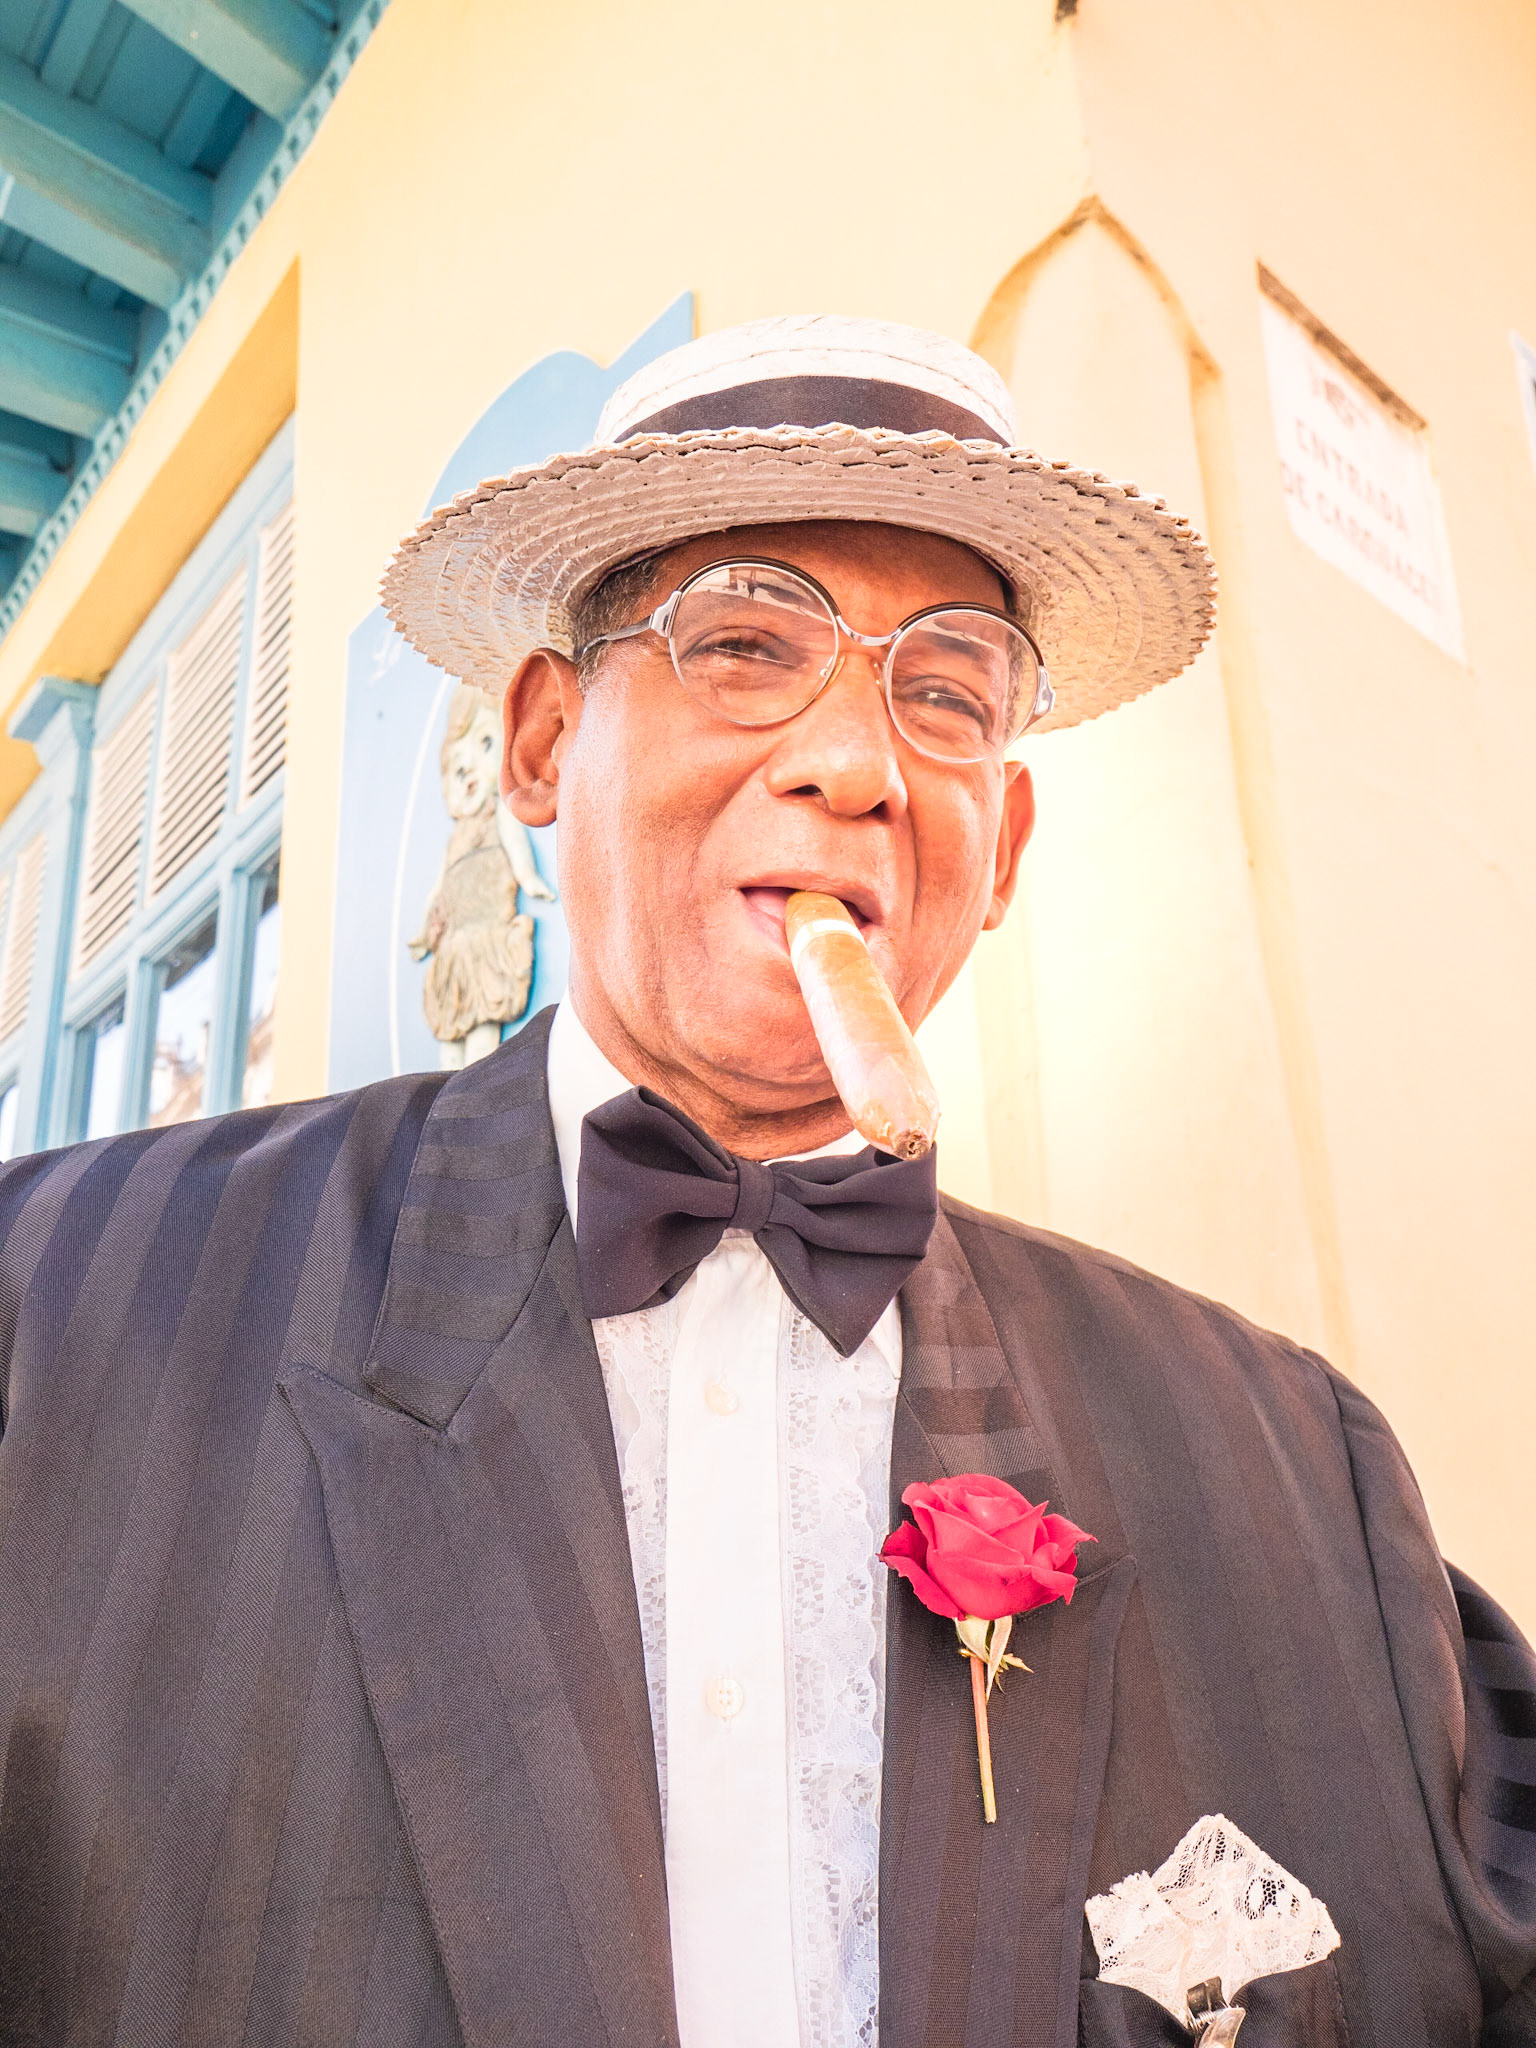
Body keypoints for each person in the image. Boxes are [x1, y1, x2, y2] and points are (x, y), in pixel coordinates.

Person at [0, 315, 1530, 2048]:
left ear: (1003, 844)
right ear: (541, 741)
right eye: (742, 641)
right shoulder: (52, 1324)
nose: (859, 765)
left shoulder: (1309, 1474)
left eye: (944, 692)